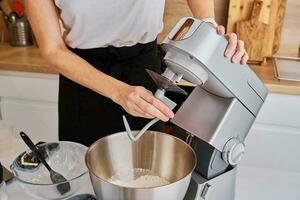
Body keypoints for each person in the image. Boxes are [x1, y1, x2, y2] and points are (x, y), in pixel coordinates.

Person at [25, 0, 248, 146]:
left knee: (147, 176)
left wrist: (210, 32)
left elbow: (207, 24)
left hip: (143, 69)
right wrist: (118, 91)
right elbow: (52, 49)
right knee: (84, 180)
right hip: (83, 82)